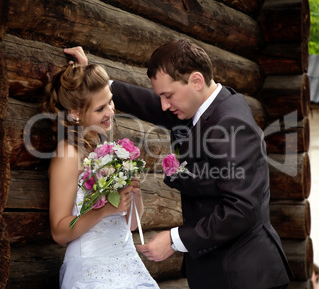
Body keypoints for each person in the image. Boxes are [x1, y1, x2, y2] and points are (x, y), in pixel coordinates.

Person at [65, 39, 292, 289]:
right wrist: (97, 85)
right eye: (161, 96)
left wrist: (175, 239)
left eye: (168, 95)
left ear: (195, 81)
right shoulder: (208, 106)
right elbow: (151, 105)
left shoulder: (230, 125)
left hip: (244, 275)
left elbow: (242, 210)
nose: (164, 105)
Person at [41, 64, 159, 289]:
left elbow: (131, 225)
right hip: (92, 270)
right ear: (75, 112)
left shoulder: (105, 148)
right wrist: (104, 210)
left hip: (127, 263)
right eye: (100, 108)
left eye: (111, 101)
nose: (111, 111)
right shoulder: (68, 155)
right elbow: (58, 231)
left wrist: (134, 195)